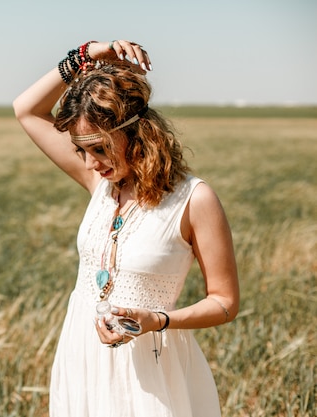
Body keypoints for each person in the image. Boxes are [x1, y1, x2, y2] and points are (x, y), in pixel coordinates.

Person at [13, 40, 240, 417]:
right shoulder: (100, 185)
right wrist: (86, 55)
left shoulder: (193, 200)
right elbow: (26, 110)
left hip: (152, 366)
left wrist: (159, 321)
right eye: (81, 150)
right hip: (82, 355)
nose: (89, 164)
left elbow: (225, 302)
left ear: (136, 133)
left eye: (99, 148)